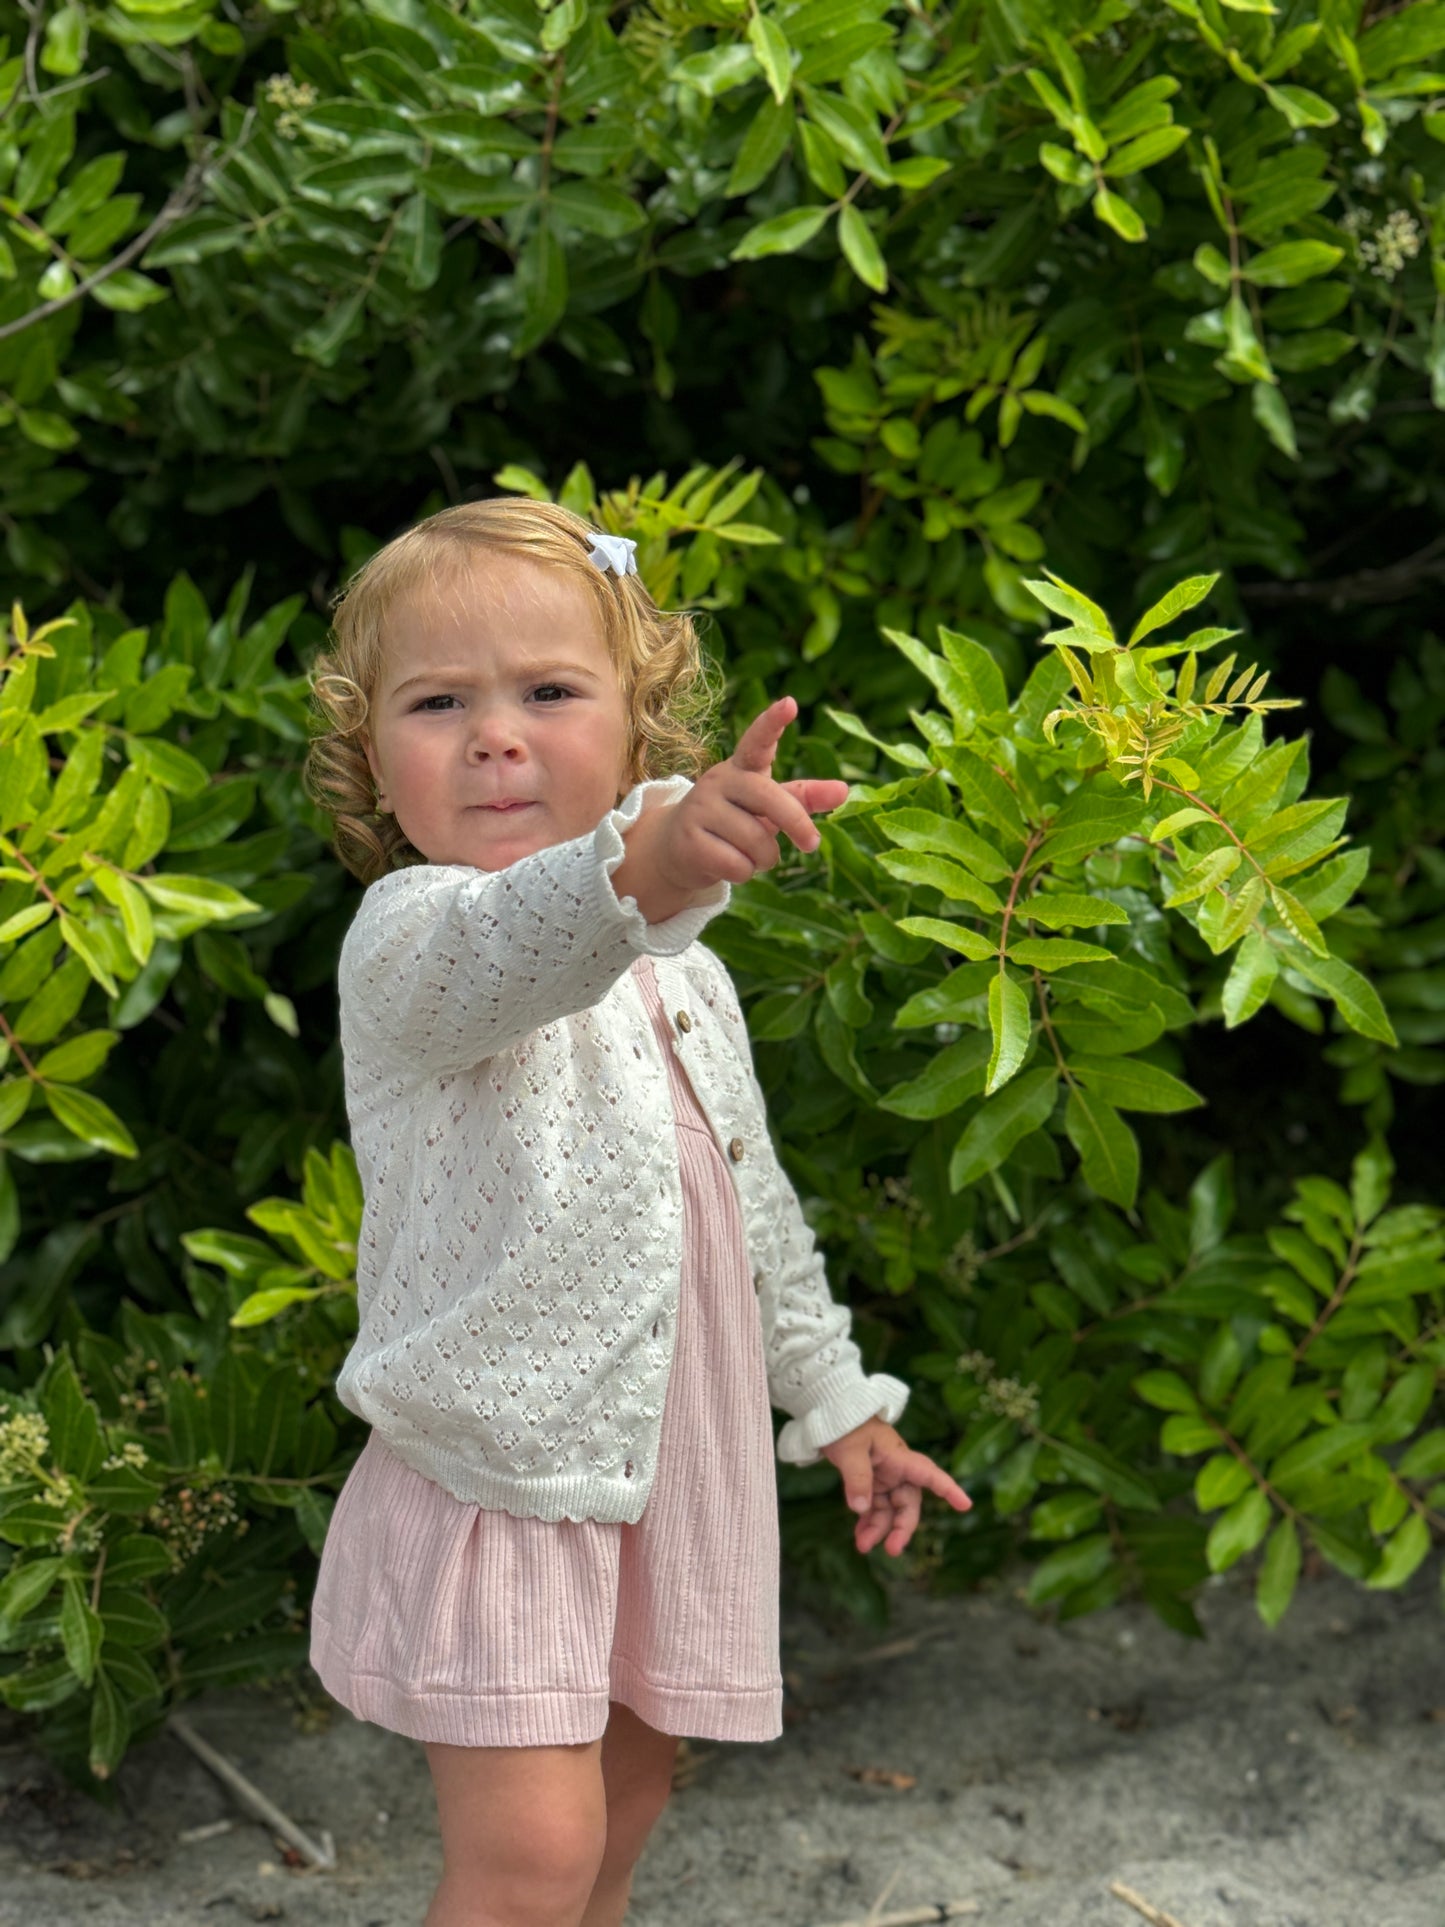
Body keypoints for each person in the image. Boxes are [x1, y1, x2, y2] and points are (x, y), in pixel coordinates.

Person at [301, 497, 972, 1927]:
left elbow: (751, 1209)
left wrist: (840, 1401)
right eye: (438, 703)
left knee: (625, 1803)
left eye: (549, 692)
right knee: (529, 1854)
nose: (496, 735)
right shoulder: (411, 939)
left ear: (639, 724)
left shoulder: (689, 983)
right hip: (506, 1467)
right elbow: (523, 940)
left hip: (666, 1467)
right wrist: (646, 863)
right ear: (370, 757)